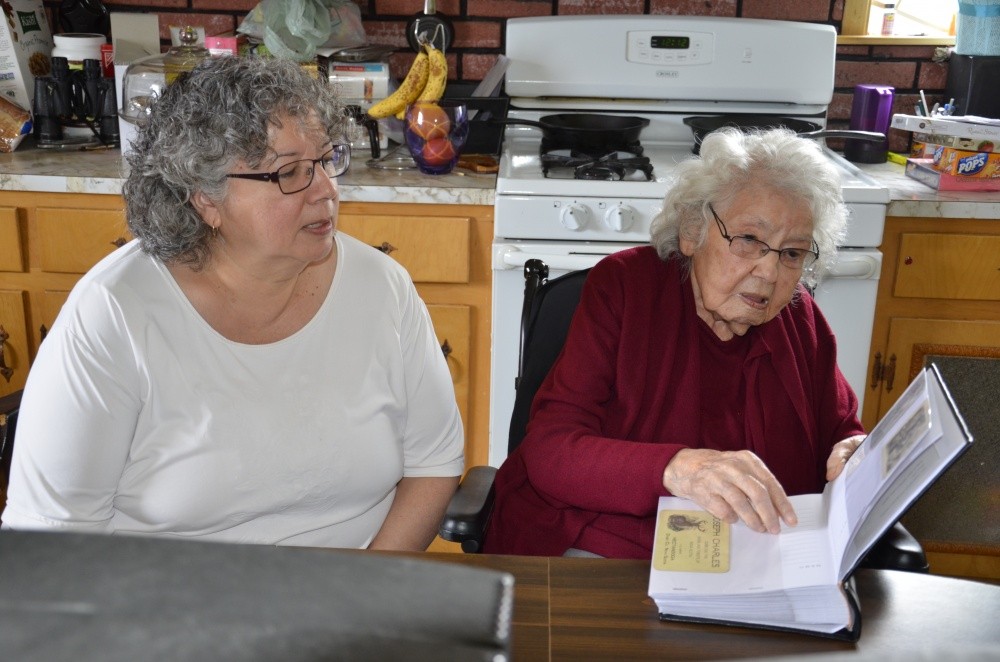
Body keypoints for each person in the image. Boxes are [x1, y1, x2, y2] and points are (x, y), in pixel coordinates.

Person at [2, 56, 463, 550]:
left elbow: (433, 464)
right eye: (290, 173)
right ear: (206, 198)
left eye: (327, 160)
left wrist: (364, 595)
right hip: (168, 612)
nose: (327, 190)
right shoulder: (113, 316)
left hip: (355, 600)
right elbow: (52, 545)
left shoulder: (381, 287)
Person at [483, 128, 865, 559]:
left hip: (756, 562)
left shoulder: (798, 318)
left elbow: (843, 431)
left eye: (792, 253)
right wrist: (678, 468)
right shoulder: (626, 290)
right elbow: (550, 453)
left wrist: (852, 455)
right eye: (749, 241)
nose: (770, 272)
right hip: (611, 550)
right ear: (692, 230)